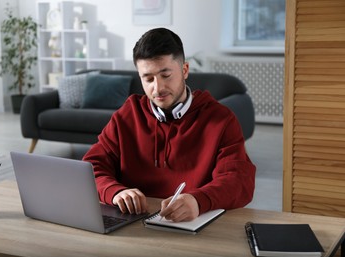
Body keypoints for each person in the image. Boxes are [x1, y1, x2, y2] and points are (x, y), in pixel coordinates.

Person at [83, 28, 256, 222]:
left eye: (166, 75)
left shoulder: (221, 119)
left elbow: (239, 181)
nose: (158, 88)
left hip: (192, 224)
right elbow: (91, 167)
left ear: (184, 70)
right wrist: (115, 192)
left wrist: (199, 201)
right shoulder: (128, 114)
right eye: (148, 79)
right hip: (132, 223)